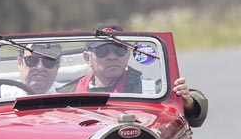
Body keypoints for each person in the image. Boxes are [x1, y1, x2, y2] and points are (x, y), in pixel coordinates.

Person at [59, 25, 208, 127]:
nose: (112, 57)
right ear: (87, 58)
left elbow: (195, 110)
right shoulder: (68, 93)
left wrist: (188, 101)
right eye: (103, 52)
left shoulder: (147, 88)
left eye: (119, 50)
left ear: (127, 55)